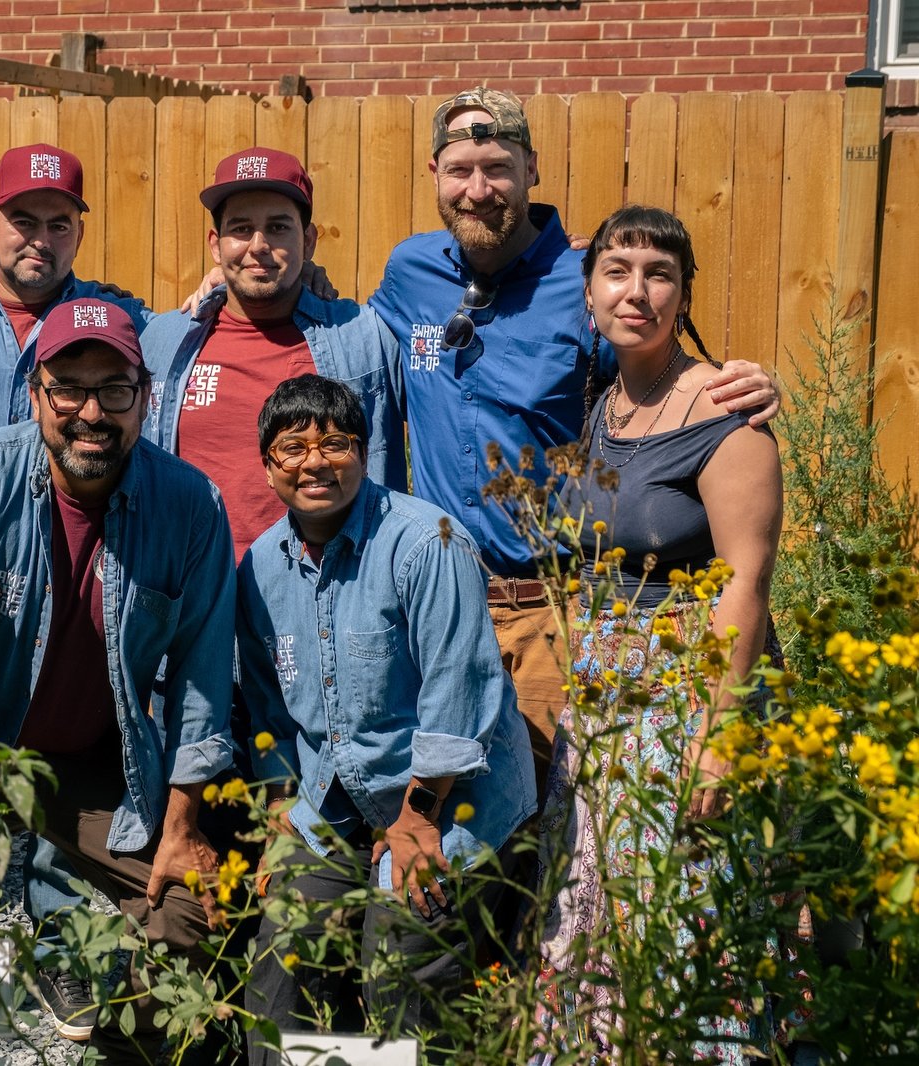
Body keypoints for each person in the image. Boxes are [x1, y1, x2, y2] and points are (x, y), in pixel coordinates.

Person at [368, 87, 779, 796]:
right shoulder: (411, 271)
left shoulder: (585, 277)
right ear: (434, 171)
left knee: (545, 837)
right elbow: (348, 340)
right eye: (460, 169)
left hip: (551, 615)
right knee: (434, 832)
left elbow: (656, 369)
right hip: (432, 609)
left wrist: (747, 384)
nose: (479, 189)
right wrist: (255, 279)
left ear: (531, 167)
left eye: (497, 167)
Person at [0, 298, 238, 1064]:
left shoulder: (191, 506)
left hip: (95, 766)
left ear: (146, 397)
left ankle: (84, 981)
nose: (90, 412)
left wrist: (180, 827)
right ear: (36, 394)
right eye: (67, 387)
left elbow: (202, 688)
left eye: (114, 389)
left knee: (185, 924)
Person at [532, 205, 782, 1061]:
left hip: (686, 696)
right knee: (589, 912)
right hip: (603, 708)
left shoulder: (727, 414)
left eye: (659, 273)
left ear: (684, 293)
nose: (636, 290)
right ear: (590, 289)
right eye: (618, 270)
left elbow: (747, 580)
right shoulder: (605, 406)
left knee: (679, 911)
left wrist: (718, 733)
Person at [236, 374, 536, 1061]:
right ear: (267, 463)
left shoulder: (426, 542)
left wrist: (418, 814)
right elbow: (264, 700)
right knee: (283, 959)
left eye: (337, 444)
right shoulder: (260, 567)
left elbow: (459, 692)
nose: (316, 462)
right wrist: (281, 797)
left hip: (450, 801)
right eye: (293, 448)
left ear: (367, 453)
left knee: (403, 960)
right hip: (337, 800)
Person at [145, 146, 406, 560]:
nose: (259, 245)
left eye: (279, 227)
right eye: (242, 229)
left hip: (330, 592)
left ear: (308, 240)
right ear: (216, 244)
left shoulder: (363, 336)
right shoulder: (162, 340)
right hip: (193, 593)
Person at [0, 143, 150, 517]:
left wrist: (219, 285)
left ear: (79, 236)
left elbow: (197, 334)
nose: (41, 240)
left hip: (68, 559)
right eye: (24, 222)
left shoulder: (118, 321)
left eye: (59, 226)